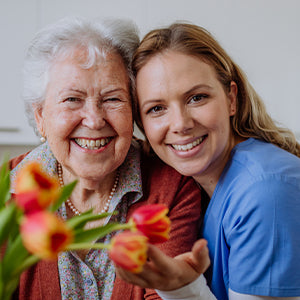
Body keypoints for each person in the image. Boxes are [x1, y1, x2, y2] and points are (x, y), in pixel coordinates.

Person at [8, 17, 204, 300]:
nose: (94, 119)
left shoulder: (172, 188)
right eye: (72, 99)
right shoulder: (7, 195)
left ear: (133, 109)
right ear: (41, 116)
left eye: (112, 99)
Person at [117, 22, 300, 299]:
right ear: (142, 125)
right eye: (157, 108)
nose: (180, 124)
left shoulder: (264, 192)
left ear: (231, 99)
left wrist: (183, 290)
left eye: (197, 98)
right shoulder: (203, 187)